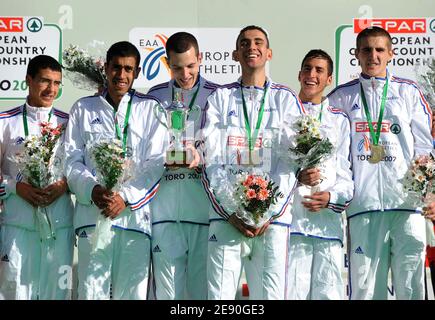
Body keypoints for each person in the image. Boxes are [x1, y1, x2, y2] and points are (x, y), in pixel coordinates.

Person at [327, 26, 433, 300]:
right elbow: (333, 154)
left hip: (407, 207)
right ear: (356, 55)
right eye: (366, 50)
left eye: (379, 50)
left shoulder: (409, 92)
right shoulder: (340, 98)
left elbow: (425, 148)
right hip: (364, 208)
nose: (373, 56)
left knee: (412, 288)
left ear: (390, 54)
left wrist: (428, 193)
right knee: (364, 290)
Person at [201, 25, 304, 299]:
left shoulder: (285, 99)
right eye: (244, 43)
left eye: (258, 42)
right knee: (220, 300)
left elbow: (291, 163)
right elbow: (211, 162)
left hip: (272, 223)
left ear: (269, 53)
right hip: (227, 220)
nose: (251, 47)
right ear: (235, 54)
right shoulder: (220, 98)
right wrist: (234, 211)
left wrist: (268, 211)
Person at [64, 41, 166, 300]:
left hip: (133, 218)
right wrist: (92, 189)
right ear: (106, 68)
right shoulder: (83, 109)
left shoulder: (150, 108)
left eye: (128, 69)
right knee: (91, 292)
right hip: (92, 215)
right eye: (116, 68)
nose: (121, 75)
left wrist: (126, 197)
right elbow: (71, 160)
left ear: (137, 72)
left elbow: (156, 163)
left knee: (132, 294)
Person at [146, 32, 219, 300]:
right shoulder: (153, 97)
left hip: (203, 213)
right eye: (176, 67)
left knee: (202, 295)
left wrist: (201, 158)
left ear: (200, 59)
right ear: (167, 63)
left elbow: (223, 151)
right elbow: (144, 147)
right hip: (164, 213)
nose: (184, 73)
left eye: (190, 65)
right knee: (166, 296)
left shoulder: (218, 96)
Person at [0, 55, 74, 299]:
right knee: (15, 293)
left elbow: (81, 166)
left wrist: (64, 185)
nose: (51, 89)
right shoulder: (5, 122)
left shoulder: (69, 123)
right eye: (44, 81)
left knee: (57, 293)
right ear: (28, 81)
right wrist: (15, 187)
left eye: (56, 83)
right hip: (18, 225)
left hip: (59, 226)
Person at [287, 49, 353, 300]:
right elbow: (273, 168)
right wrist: (297, 175)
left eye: (319, 70)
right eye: (307, 68)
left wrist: (332, 197)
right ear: (299, 74)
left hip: (328, 226)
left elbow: (347, 175)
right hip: (293, 225)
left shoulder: (340, 121)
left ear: (329, 80)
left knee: (329, 295)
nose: (311, 75)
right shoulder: (286, 112)